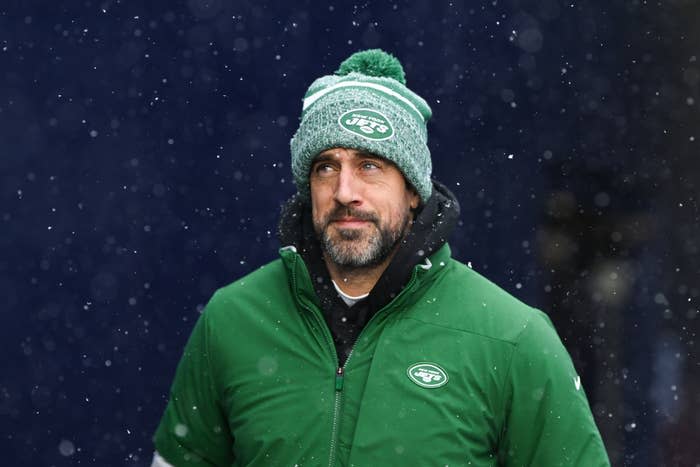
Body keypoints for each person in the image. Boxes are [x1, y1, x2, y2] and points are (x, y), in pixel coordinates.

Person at [151, 49, 610, 466]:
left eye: (370, 165)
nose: (345, 192)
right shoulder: (232, 321)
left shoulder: (512, 339)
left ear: (412, 190)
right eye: (326, 167)